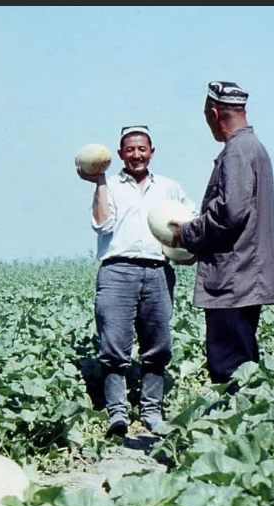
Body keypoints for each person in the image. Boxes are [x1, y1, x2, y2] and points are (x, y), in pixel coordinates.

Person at [77, 125, 197, 437]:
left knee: (158, 345)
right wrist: (99, 181)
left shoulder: (170, 187)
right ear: (119, 155)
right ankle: (117, 412)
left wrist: (190, 248)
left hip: (158, 269)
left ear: (152, 152)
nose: (136, 155)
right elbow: (102, 225)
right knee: (114, 345)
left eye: (142, 149)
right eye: (129, 150)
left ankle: (151, 411)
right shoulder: (111, 185)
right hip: (117, 270)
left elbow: (191, 222)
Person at [167, 81, 274, 393]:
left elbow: (231, 213)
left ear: (214, 113)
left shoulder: (236, 151)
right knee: (244, 367)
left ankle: (236, 436)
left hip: (233, 280)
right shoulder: (254, 147)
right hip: (246, 277)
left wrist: (186, 234)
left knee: (228, 368)